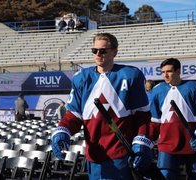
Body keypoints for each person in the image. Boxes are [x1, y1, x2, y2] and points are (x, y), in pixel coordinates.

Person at [51, 32, 154, 179]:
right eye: (95, 50)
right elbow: (74, 114)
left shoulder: (131, 75)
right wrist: (63, 130)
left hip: (121, 154)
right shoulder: (81, 78)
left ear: (115, 52)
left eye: (103, 50)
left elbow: (142, 116)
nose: (98, 54)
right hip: (94, 156)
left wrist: (142, 141)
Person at [149, 58, 196, 179]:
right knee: (165, 176)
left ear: (178, 71)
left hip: (193, 145)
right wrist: (147, 140)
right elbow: (155, 121)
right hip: (167, 145)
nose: (165, 75)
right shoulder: (157, 90)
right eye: (163, 72)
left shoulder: (195, 87)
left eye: (169, 71)